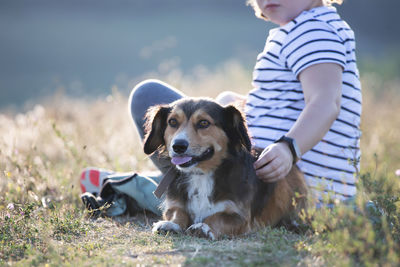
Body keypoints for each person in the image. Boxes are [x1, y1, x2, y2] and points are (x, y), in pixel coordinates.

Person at [80, 0, 361, 216]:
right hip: (279, 177)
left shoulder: (313, 31)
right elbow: (288, 101)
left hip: (284, 188)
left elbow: (325, 102)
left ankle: (129, 189)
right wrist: (236, 104)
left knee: (148, 95)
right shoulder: (309, 28)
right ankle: (156, 186)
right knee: (211, 112)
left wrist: (289, 147)